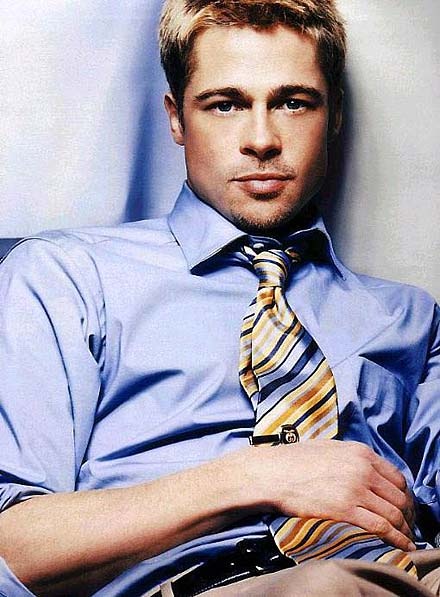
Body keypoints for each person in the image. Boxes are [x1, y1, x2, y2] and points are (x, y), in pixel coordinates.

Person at [0, 1, 439, 595]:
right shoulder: (67, 277)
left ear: (333, 115)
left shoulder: (410, 318)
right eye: (226, 104)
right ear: (177, 119)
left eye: (293, 102)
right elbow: (12, 549)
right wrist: (258, 477)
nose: (262, 140)